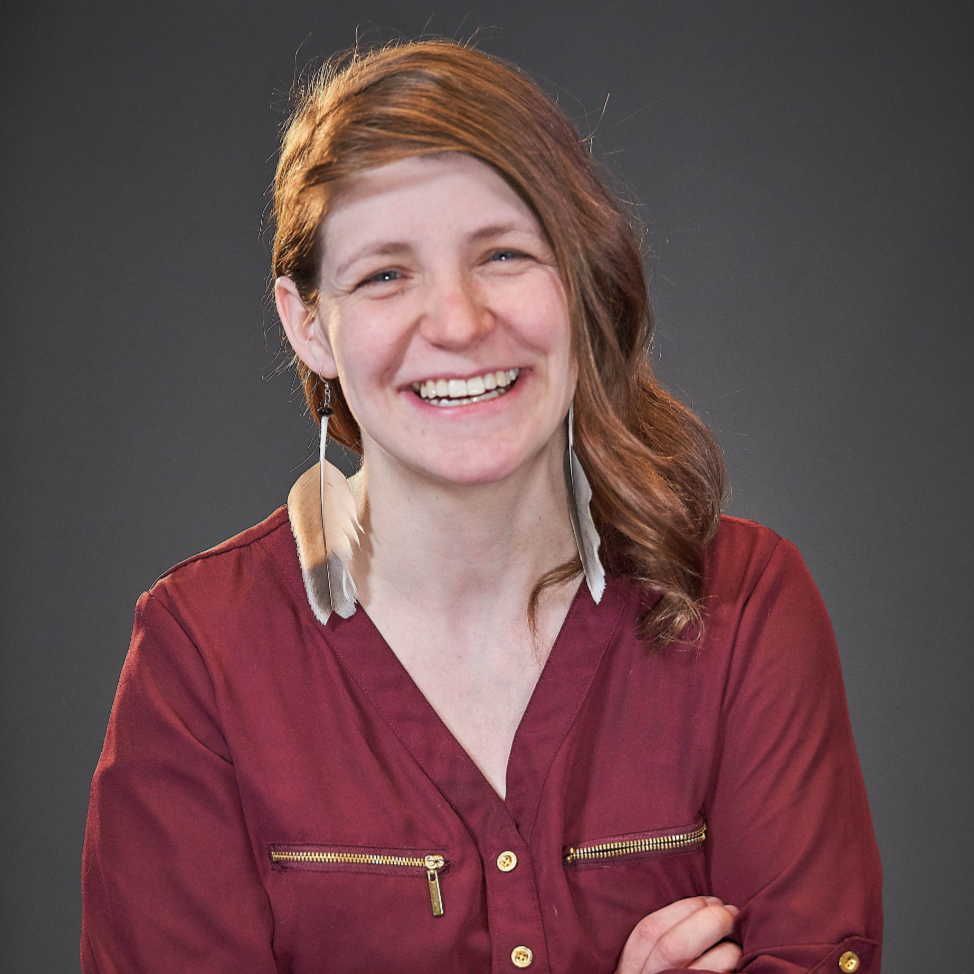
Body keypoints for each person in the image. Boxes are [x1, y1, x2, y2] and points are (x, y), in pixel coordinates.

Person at [81, 40, 882, 973]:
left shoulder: (747, 605)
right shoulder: (200, 653)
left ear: (578, 282)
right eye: (386, 273)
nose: (458, 323)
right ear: (309, 324)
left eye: (503, 254)